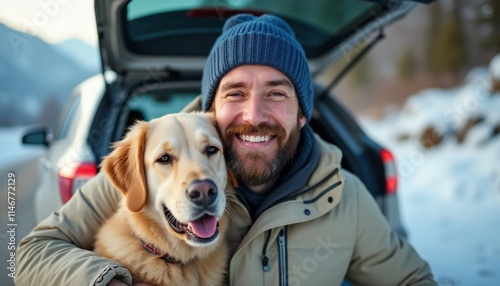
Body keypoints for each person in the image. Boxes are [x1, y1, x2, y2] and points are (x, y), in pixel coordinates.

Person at [15, 14, 436, 286]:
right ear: (213, 109)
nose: (255, 114)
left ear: (303, 115)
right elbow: (32, 255)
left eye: (277, 94)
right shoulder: (141, 178)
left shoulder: (348, 198)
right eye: (235, 93)